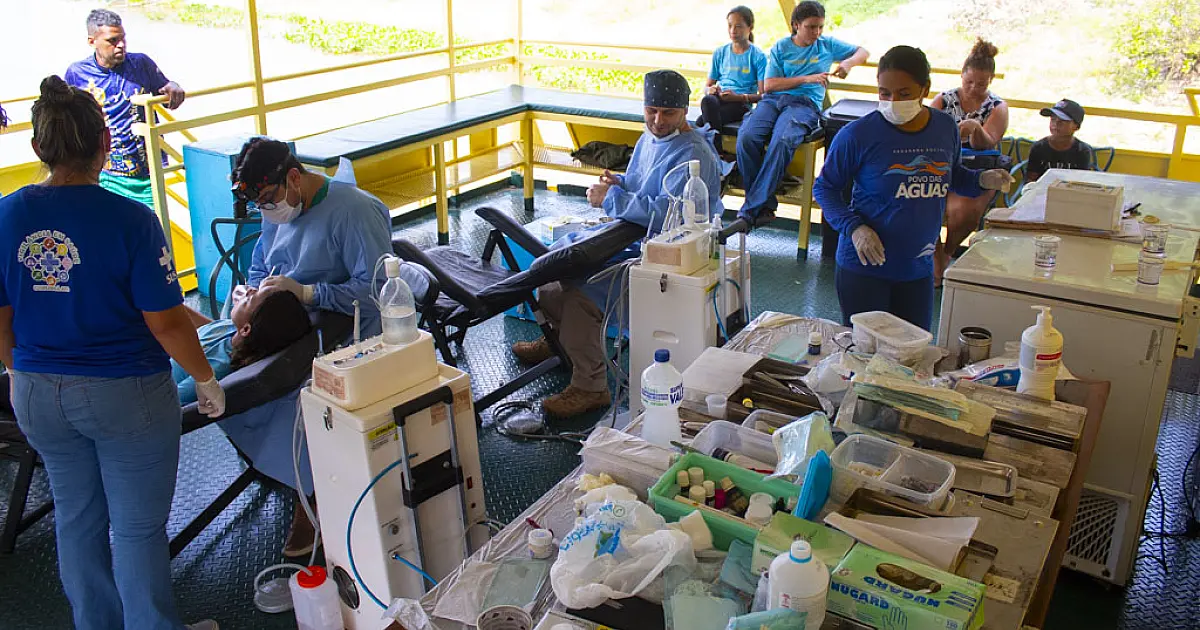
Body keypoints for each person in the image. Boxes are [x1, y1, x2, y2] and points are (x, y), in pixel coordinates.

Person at [0, 76, 221, 630]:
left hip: (36, 392)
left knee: (76, 518)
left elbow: (0, 318)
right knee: (137, 529)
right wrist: (205, 377)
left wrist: (16, 372)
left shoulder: (5, 215)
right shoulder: (131, 220)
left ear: (38, 146)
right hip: (125, 395)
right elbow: (165, 322)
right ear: (105, 142)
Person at [510, 70, 723, 418]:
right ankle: (557, 343)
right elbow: (642, 184)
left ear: (685, 111)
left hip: (662, 255)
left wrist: (611, 199)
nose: (658, 120)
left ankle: (590, 387)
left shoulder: (693, 155)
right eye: (652, 110)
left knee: (581, 296)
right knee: (550, 276)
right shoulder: (649, 139)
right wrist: (619, 183)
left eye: (668, 113)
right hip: (625, 236)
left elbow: (668, 217)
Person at [227, 137, 392, 555]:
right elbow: (262, 262)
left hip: (345, 327)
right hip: (286, 323)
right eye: (260, 204)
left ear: (294, 178)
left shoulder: (355, 211)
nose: (268, 210)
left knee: (301, 402)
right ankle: (283, 468)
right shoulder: (278, 209)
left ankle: (312, 496)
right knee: (238, 380)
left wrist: (308, 293)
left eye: (269, 199)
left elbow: (376, 289)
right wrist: (254, 290)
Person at [813, 47, 1014, 331]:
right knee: (866, 350)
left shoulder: (945, 128)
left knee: (914, 349)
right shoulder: (857, 135)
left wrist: (982, 180)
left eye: (904, 93)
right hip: (865, 266)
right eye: (884, 93)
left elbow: (952, 177)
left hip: (917, 268)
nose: (893, 102)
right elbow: (824, 189)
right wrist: (854, 228)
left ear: (925, 89)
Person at [736, 0, 867, 223]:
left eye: (820, 27)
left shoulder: (826, 45)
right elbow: (769, 85)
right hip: (773, 100)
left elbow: (863, 51)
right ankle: (763, 205)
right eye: (811, 27)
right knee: (747, 137)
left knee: (783, 140)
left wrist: (848, 64)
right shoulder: (781, 47)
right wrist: (807, 78)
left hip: (804, 104)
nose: (817, 32)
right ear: (796, 25)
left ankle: (749, 212)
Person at [65, 9, 186, 208]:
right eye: (112, 41)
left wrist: (173, 87)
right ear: (92, 41)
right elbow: (68, 121)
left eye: (123, 38)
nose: (121, 45)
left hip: (147, 173)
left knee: (151, 222)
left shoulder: (141, 64)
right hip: (104, 174)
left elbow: (167, 94)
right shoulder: (77, 74)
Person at [930, 38, 1008, 284]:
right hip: (941, 165)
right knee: (921, 199)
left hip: (977, 166)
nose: (974, 88)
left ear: (991, 80)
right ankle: (934, 255)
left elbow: (987, 143)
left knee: (962, 210)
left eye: (981, 84)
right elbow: (927, 134)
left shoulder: (997, 106)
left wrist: (975, 128)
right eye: (969, 82)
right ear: (961, 75)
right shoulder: (944, 100)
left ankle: (947, 252)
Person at [174, 285, 312, 404]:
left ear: (246, 329)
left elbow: (172, 399)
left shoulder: (217, 368)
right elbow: (209, 332)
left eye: (250, 298)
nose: (249, 289)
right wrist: (171, 307)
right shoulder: (232, 329)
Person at [698, 6, 767, 149]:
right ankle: (719, 153)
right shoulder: (720, 53)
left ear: (750, 27)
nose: (733, 31)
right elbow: (707, 87)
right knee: (708, 101)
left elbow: (763, 96)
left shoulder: (758, 56)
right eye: (730, 26)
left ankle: (716, 152)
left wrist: (739, 97)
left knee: (701, 122)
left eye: (738, 26)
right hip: (719, 100)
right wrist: (710, 90)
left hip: (741, 104)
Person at [1026, 99, 1094, 182]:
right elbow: (1031, 179)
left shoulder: (1082, 150)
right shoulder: (1038, 147)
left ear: (1076, 126)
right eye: (1053, 119)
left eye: (1063, 121)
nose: (1056, 124)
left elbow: (1081, 182)